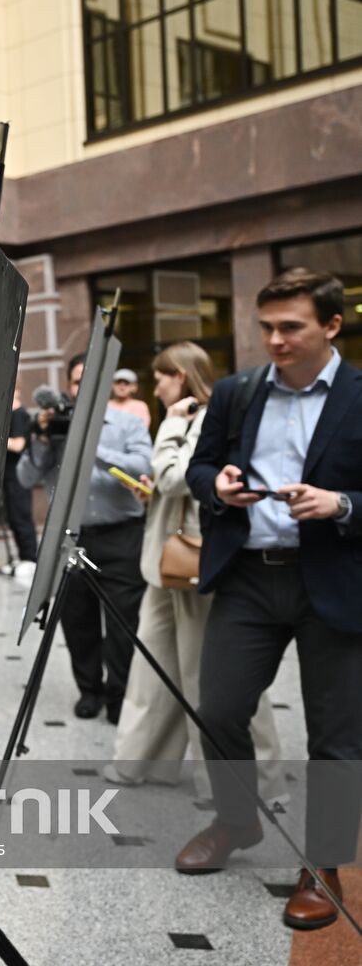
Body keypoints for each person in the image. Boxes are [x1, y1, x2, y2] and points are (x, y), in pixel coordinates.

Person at [175, 268, 362, 931]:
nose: (275, 341)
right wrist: (217, 486)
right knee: (219, 708)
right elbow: (201, 467)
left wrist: (341, 504)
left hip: (334, 579)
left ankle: (324, 864)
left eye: (292, 327)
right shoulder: (237, 392)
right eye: (267, 328)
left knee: (336, 738)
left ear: (332, 326)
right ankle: (236, 820)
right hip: (249, 575)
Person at [102, 342, 285, 802]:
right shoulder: (189, 418)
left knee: (210, 673)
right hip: (168, 559)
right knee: (155, 664)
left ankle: (250, 781)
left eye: (161, 376)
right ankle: (141, 761)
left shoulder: (198, 419)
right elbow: (172, 484)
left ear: (180, 377)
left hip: (195, 561)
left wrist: (171, 430)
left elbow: (173, 474)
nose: (155, 384)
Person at [18, 353, 152, 723]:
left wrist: (90, 445)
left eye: (91, 380)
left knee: (125, 624)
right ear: (69, 386)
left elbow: (143, 465)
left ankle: (119, 695)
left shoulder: (128, 423)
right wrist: (44, 438)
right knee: (78, 622)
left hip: (121, 535)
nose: (83, 388)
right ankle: (89, 691)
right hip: (70, 539)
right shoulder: (53, 425)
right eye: (76, 382)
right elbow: (27, 478)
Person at [3, 385, 38, 584]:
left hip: (19, 474)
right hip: (9, 474)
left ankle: (30, 558)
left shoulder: (20, 415)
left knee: (21, 515)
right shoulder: (11, 413)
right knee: (14, 516)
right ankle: (22, 558)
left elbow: (18, 444)